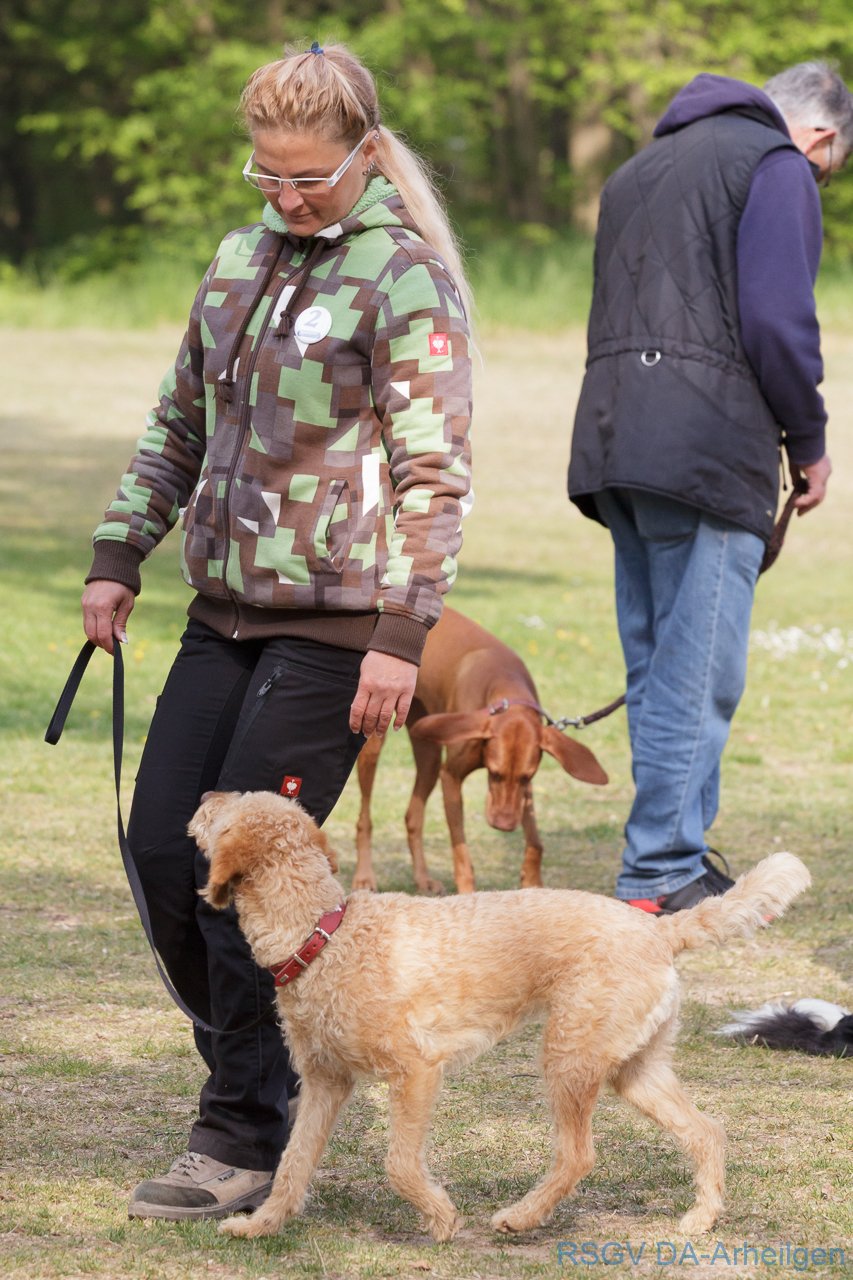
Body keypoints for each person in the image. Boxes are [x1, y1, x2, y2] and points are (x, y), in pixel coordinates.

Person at [80, 41, 472, 1220]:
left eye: (308, 177)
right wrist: (118, 552)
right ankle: (266, 1079)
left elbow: (434, 474)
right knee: (164, 852)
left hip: (338, 631)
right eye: (268, 175)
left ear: (365, 155)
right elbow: (177, 421)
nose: (287, 197)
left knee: (250, 878)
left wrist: (401, 634)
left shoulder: (403, 275)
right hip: (223, 615)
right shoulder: (237, 259)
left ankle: (243, 1132)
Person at [568, 62, 852, 914]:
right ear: (821, 137)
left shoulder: (635, 170)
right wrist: (808, 442)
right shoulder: (773, 163)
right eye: (828, 172)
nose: (817, 181)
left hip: (614, 438)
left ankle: (670, 860)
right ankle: (661, 873)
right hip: (704, 443)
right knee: (699, 672)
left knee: (658, 665)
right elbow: (776, 317)